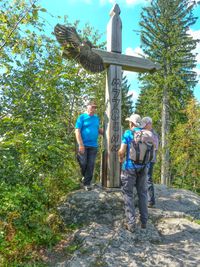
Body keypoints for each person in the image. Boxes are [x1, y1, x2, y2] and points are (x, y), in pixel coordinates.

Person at [118, 114, 149, 232]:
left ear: (131, 123)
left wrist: (121, 159)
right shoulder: (146, 133)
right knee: (142, 193)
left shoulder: (128, 133)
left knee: (128, 194)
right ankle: (144, 221)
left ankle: (131, 223)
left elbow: (122, 151)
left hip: (130, 167)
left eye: (129, 122)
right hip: (144, 167)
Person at [75, 100, 103, 191]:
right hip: (83, 145)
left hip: (93, 145)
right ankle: (84, 176)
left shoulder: (96, 118)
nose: (93, 109)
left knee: (90, 164)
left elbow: (97, 129)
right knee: (83, 163)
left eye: (95, 107)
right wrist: (80, 144)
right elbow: (77, 131)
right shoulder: (82, 117)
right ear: (87, 107)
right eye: (92, 107)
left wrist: (107, 133)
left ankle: (87, 183)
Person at [141, 117, 159, 208]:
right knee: (143, 178)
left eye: (145, 124)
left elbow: (155, 147)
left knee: (148, 178)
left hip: (149, 159)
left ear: (149, 124)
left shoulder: (153, 134)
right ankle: (145, 199)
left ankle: (150, 201)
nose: (143, 126)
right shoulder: (145, 132)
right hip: (143, 159)